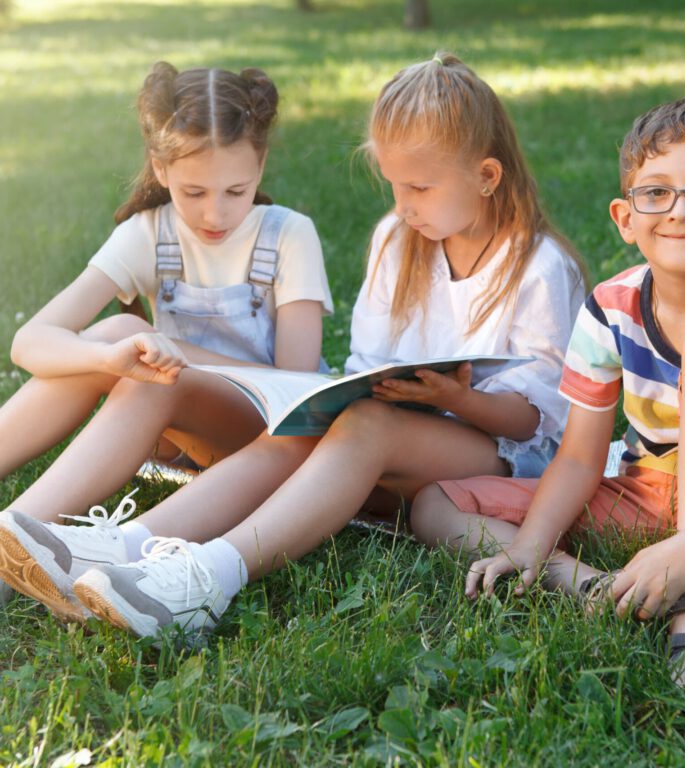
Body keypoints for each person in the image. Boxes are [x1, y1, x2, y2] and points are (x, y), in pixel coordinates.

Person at [0, 53, 585, 640]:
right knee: (311, 423)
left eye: (420, 188)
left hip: (496, 455)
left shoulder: (539, 267)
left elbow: (537, 422)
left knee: (364, 422)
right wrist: (396, 389)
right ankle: (125, 548)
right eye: (393, 185)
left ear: (486, 176)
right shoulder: (397, 240)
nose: (402, 205)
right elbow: (364, 367)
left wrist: (456, 395)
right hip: (395, 433)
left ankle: (206, 577)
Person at [409, 97, 685, 692]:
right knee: (433, 505)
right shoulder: (611, 308)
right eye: (656, 193)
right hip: (647, 495)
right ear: (625, 219)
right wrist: (530, 546)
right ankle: (596, 586)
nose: (680, 210)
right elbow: (578, 457)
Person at [0, 63, 332, 551]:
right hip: (174, 432)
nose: (215, 214)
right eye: (193, 192)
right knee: (119, 342)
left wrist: (176, 354)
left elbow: (295, 393)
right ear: (161, 169)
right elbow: (28, 343)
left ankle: (15, 535)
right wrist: (105, 360)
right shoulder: (150, 233)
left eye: (235, 192)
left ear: (259, 167)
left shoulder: (288, 234)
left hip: (266, 438)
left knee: (153, 367)